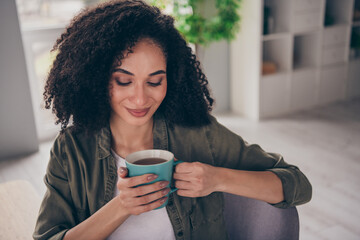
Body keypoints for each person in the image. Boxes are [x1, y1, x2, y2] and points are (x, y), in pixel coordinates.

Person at [34, 0, 312, 239]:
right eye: (123, 81)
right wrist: (122, 206)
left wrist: (217, 178)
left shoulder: (199, 135)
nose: (141, 99)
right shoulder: (71, 151)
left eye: (155, 82)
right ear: (96, 78)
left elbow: (297, 184)